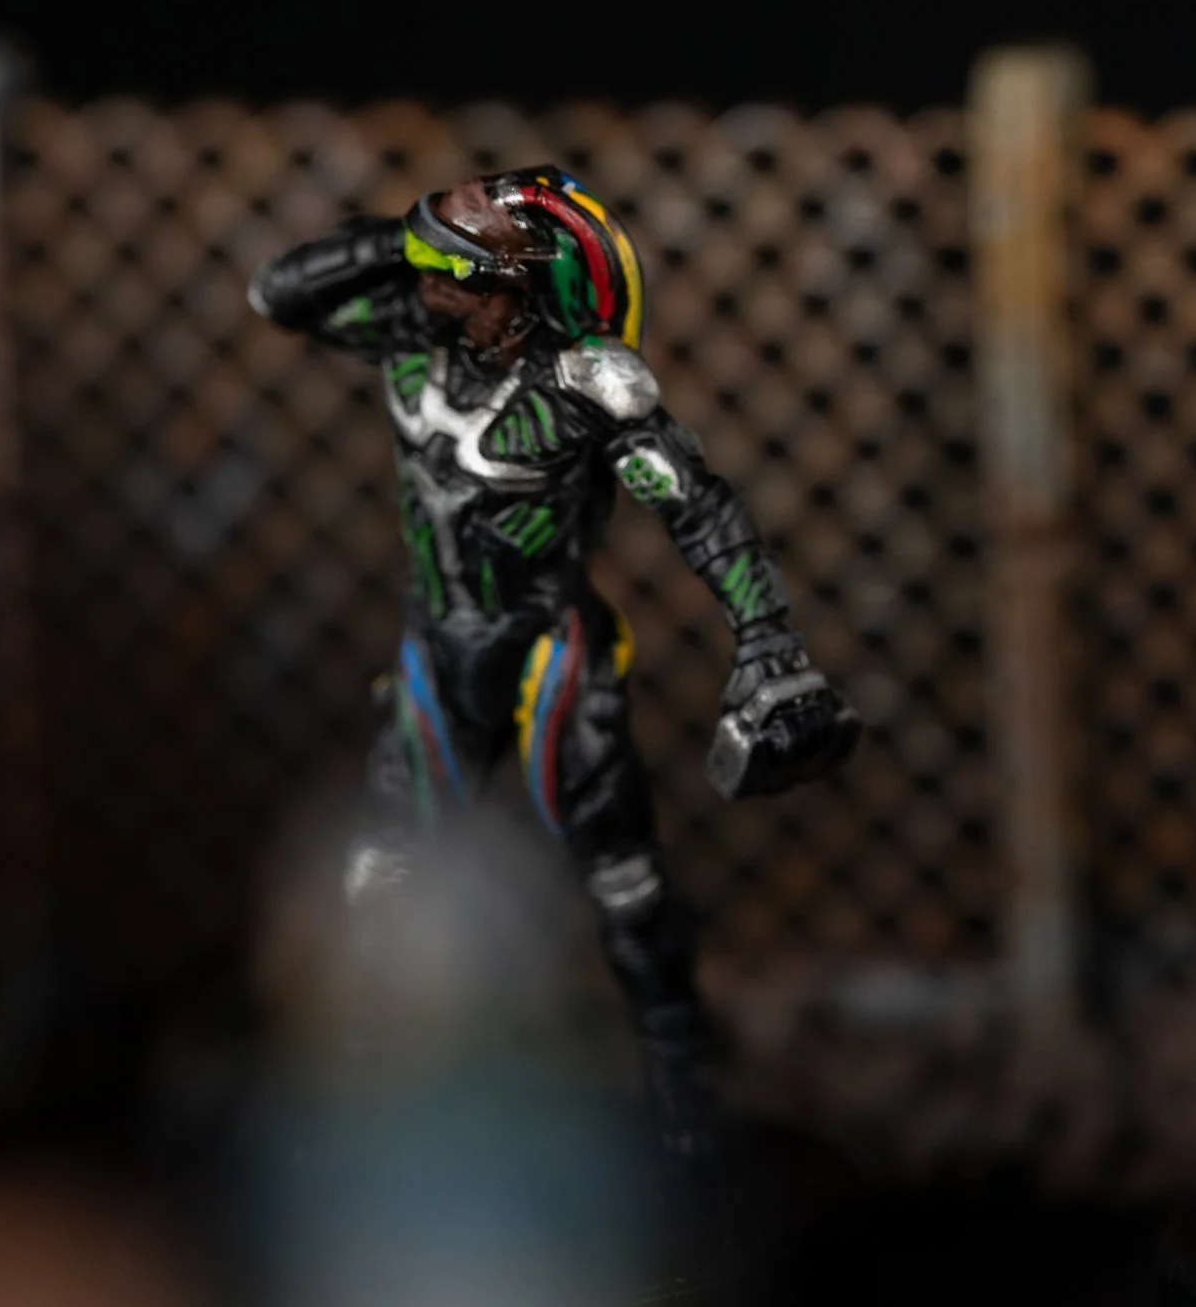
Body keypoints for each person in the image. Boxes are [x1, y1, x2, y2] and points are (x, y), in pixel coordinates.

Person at [251, 168, 858, 1168]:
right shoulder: (409, 339)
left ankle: (684, 1095)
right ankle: (359, 1123)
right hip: (436, 648)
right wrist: (406, 239)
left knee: (624, 883)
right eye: (427, 270)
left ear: (509, 289)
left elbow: (700, 507)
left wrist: (767, 639)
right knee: (383, 878)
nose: (427, 287)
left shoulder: (583, 387)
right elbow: (278, 292)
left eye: (451, 274)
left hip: (549, 651)